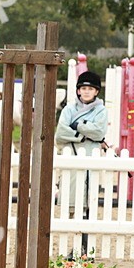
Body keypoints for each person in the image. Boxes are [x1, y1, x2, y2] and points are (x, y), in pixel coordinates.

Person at [55, 70, 108, 214]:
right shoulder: (69, 109)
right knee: (70, 186)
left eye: (90, 89)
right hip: (71, 153)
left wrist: (78, 125)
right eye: (83, 88)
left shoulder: (101, 110)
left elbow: (99, 132)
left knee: (89, 190)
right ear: (78, 91)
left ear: (96, 92)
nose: (86, 92)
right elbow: (60, 133)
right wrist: (81, 135)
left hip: (91, 153)